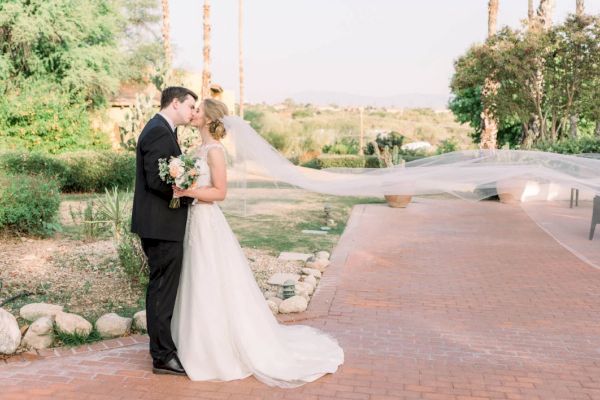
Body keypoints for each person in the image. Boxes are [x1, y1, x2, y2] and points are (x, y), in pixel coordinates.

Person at [171, 98, 344, 388]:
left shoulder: (215, 151)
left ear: (210, 118)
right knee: (195, 279)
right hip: (192, 221)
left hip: (206, 221)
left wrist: (189, 191)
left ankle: (217, 351)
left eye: (198, 110)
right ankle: (194, 343)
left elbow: (220, 192)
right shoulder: (197, 149)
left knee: (209, 278)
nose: (194, 113)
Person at [131, 86, 198, 376]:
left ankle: (163, 349)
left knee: (162, 288)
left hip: (162, 224)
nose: (193, 112)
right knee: (161, 291)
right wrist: (189, 191)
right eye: (190, 106)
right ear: (175, 103)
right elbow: (156, 181)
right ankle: (162, 356)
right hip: (160, 226)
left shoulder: (162, 128)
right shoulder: (159, 131)